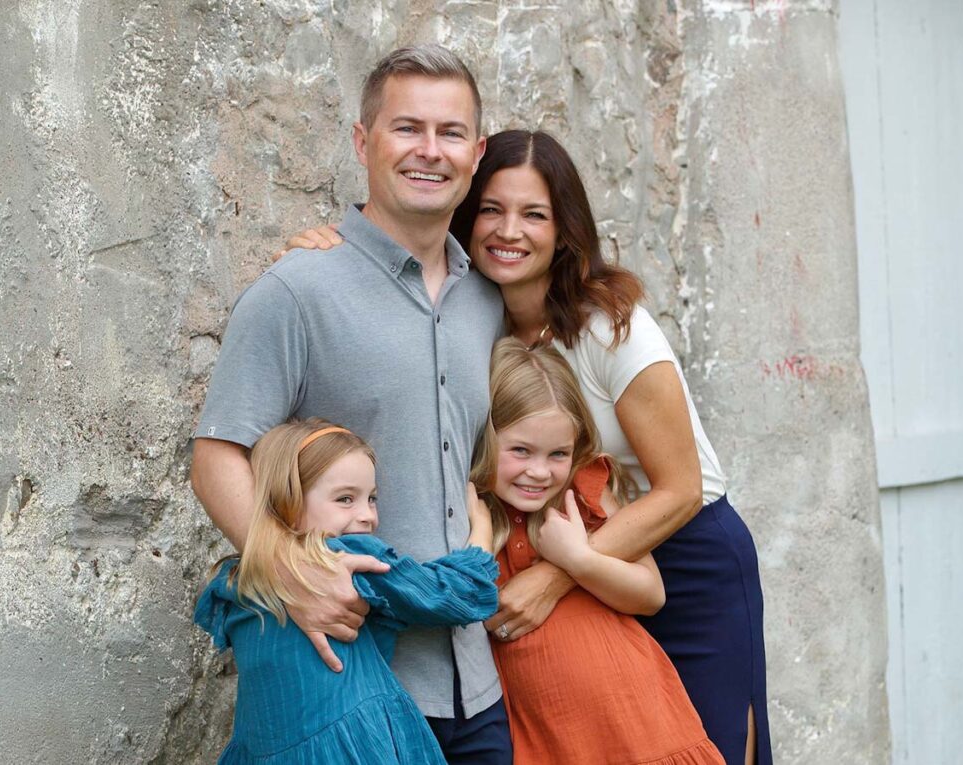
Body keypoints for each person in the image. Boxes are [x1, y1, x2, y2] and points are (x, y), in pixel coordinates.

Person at [282, 130, 772, 765]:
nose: (509, 230)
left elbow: (679, 488)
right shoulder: (473, 316)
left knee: (705, 742)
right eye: (492, 209)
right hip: (561, 546)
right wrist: (327, 252)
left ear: (565, 230)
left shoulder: (611, 326)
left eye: (534, 214)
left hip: (681, 549)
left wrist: (555, 576)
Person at [191, 46, 512, 763]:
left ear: (476, 152)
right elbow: (216, 456)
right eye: (407, 128)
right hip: (350, 693)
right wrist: (290, 576)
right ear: (364, 142)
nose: (430, 150)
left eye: (451, 132)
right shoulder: (297, 290)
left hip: (475, 687)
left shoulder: (487, 302)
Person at [467, 338, 723, 764]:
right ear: (485, 440)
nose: (539, 471)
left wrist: (577, 560)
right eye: (520, 451)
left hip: (642, 729)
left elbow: (650, 593)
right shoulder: (472, 515)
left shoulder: (582, 491)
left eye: (558, 454)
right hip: (554, 741)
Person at [195, 419, 499, 764]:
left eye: (371, 499)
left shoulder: (238, 581)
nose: (367, 515)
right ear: (288, 502)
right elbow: (457, 595)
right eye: (345, 499)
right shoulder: (345, 561)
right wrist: (482, 533)